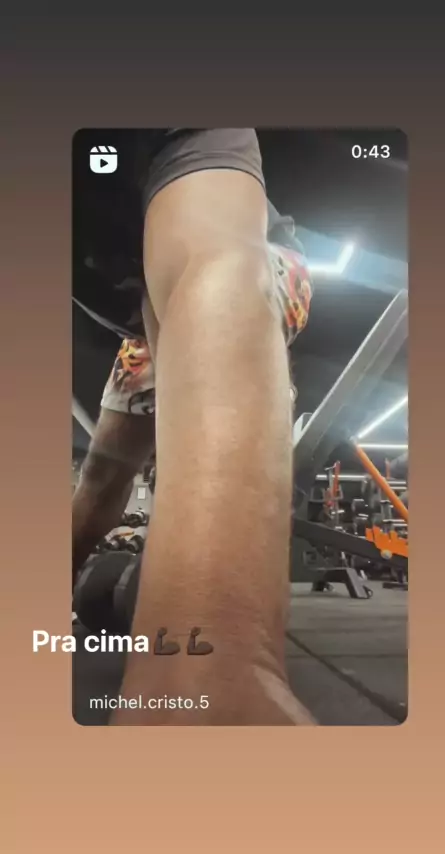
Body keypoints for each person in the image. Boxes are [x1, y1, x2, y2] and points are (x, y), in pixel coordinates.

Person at [73, 129, 315, 725]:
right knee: (103, 472)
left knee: (219, 277)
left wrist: (205, 661)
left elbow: (212, 259)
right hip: (141, 325)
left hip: (254, 259)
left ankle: (213, 659)